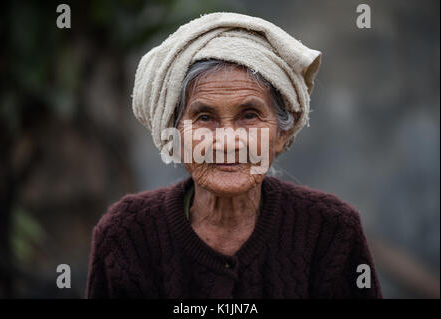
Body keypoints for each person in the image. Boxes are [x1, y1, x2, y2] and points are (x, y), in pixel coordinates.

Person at [86, 12, 382, 298]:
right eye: (204, 117)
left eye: (249, 115)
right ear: (173, 136)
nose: (228, 141)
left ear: (282, 134)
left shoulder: (330, 232)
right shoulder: (126, 237)